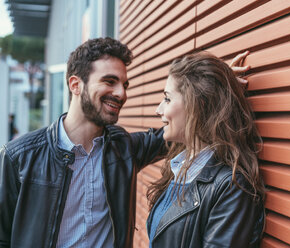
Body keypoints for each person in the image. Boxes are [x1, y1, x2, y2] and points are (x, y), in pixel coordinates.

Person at [0, 37, 166, 247]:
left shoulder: (124, 148)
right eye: (109, 81)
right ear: (75, 85)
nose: (122, 94)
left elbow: (174, 135)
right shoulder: (19, 157)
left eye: (125, 85)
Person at [146, 52, 266, 247]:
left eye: (167, 99)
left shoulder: (231, 187)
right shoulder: (179, 168)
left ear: (197, 106)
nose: (158, 110)